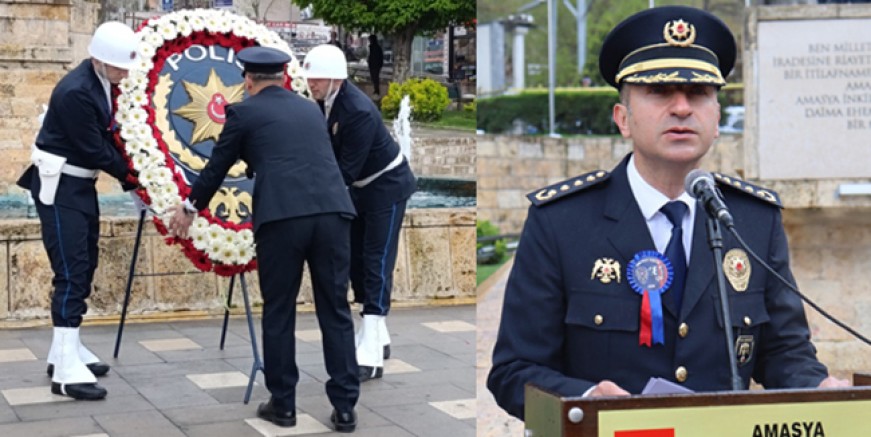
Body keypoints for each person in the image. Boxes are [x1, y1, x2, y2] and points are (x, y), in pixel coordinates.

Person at [487, 6, 849, 420]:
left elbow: (783, 352)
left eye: (698, 94)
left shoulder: (751, 220)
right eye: (659, 91)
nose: (681, 108)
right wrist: (585, 399)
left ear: (716, 119)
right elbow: (514, 372)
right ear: (623, 118)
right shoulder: (562, 222)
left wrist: (816, 386)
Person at [168, 46, 359, 433]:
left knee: (279, 310)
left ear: (249, 80)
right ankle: (344, 408)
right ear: (283, 76)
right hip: (333, 215)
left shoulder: (243, 112)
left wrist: (188, 209)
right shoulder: (309, 108)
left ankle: (284, 406)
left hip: (282, 219)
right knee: (335, 310)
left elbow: (217, 167)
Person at [16, 21, 140, 401]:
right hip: (61, 185)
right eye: (119, 67)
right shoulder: (76, 91)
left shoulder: (101, 83)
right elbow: (93, 149)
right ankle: (65, 375)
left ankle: (64, 350)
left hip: (80, 185)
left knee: (85, 262)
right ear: (99, 60)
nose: (124, 74)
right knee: (70, 271)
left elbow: (106, 137)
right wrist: (135, 175)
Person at [303, 44, 416, 382]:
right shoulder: (325, 102)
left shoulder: (358, 111)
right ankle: (377, 334)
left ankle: (369, 350)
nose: (312, 84)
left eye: (318, 78)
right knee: (355, 262)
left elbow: (344, 171)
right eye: (310, 78)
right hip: (362, 190)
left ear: (336, 77)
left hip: (387, 187)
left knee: (376, 260)